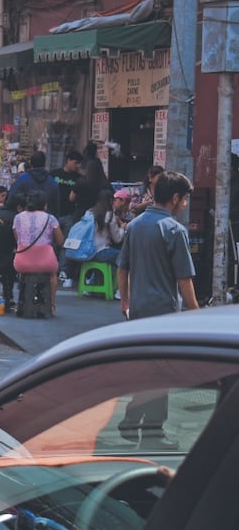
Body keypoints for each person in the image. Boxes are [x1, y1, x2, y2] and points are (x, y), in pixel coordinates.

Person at [117, 171, 198, 449]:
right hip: (164, 312)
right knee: (161, 373)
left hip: (139, 309)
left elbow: (122, 267)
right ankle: (147, 431)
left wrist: (125, 301)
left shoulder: (136, 225)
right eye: (185, 199)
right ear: (175, 198)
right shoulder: (174, 230)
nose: (185, 204)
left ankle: (139, 424)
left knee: (149, 371)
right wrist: (196, 312)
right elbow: (184, 279)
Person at [12, 190, 64, 315]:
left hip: (22, 262)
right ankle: (51, 306)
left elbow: (18, 239)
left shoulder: (18, 217)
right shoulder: (50, 219)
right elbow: (60, 240)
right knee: (52, 275)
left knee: (23, 272)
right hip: (46, 262)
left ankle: (23, 301)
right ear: (45, 205)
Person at [7, 151, 60, 216]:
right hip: (45, 222)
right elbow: (56, 208)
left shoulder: (22, 179)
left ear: (31, 164)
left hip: (25, 221)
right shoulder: (53, 183)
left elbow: (11, 200)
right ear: (45, 164)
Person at [69, 157, 111, 222]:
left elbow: (71, 198)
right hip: (98, 216)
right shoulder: (106, 184)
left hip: (80, 215)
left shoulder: (80, 182)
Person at [51, 150, 83, 224]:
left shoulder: (79, 178)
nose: (78, 166)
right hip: (54, 214)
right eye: (76, 163)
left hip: (69, 215)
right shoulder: (54, 174)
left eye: (79, 163)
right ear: (69, 160)